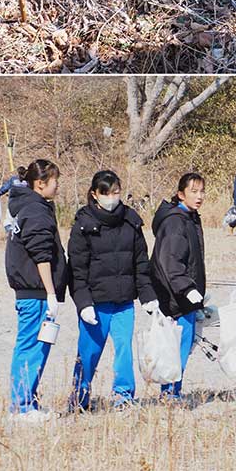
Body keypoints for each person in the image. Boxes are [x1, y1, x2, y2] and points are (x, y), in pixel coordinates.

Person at [66, 171, 158, 411]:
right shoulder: (83, 226)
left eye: (116, 192)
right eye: (106, 193)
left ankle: (123, 397)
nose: (111, 198)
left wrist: (147, 296)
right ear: (95, 195)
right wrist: (83, 303)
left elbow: (140, 262)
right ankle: (79, 398)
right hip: (95, 303)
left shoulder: (131, 221)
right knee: (89, 352)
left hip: (124, 302)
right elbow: (76, 270)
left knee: (124, 350)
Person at [5, 159, 70, 422]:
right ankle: (21, 407)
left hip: (32, 290)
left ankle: (27, 400)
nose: (58, 187)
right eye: (55, 181)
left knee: (32, 346)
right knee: (31, 346)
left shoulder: (28, 207)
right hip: (35, 292)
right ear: (40, 184)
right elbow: (41, 255)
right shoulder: (36, 210)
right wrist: (51, 293)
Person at [149, 172, 208, 398]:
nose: (199, 196)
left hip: (184, 293)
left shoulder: (190, 217)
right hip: (175, 295)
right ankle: (170, 393)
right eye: (194, 191)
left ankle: (173, 390)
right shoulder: (175, 221)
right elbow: (170, 260)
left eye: (202, 191)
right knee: (176, 347)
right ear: (181, 194)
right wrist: (187, 289)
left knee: (181, 345)